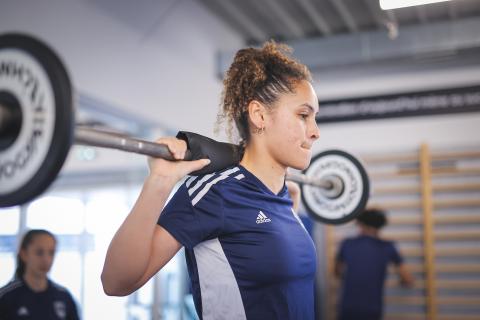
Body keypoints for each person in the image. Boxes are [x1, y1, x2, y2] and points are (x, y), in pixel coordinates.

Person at [101, 40, 320, 319]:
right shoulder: (216, 194)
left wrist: (289, 207)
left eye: (315, 118)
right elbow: (116, 282)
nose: (315, 132)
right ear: (259, 115)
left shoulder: (282, 196)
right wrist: (159, 182)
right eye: (303, 115)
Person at [334, 208, 414, 320]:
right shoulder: (388, 247)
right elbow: (408, 280)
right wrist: (401, 281)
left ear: (360, 224)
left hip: (348, 308)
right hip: (372, 309)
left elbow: (337, 272)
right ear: (380, 226)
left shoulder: (347, 244)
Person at [0, 229, 80, 320]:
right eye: (39, 252)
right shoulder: (5, 297)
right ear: (24, 254)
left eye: (51, 253)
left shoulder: (64, 297)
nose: (46, 259)